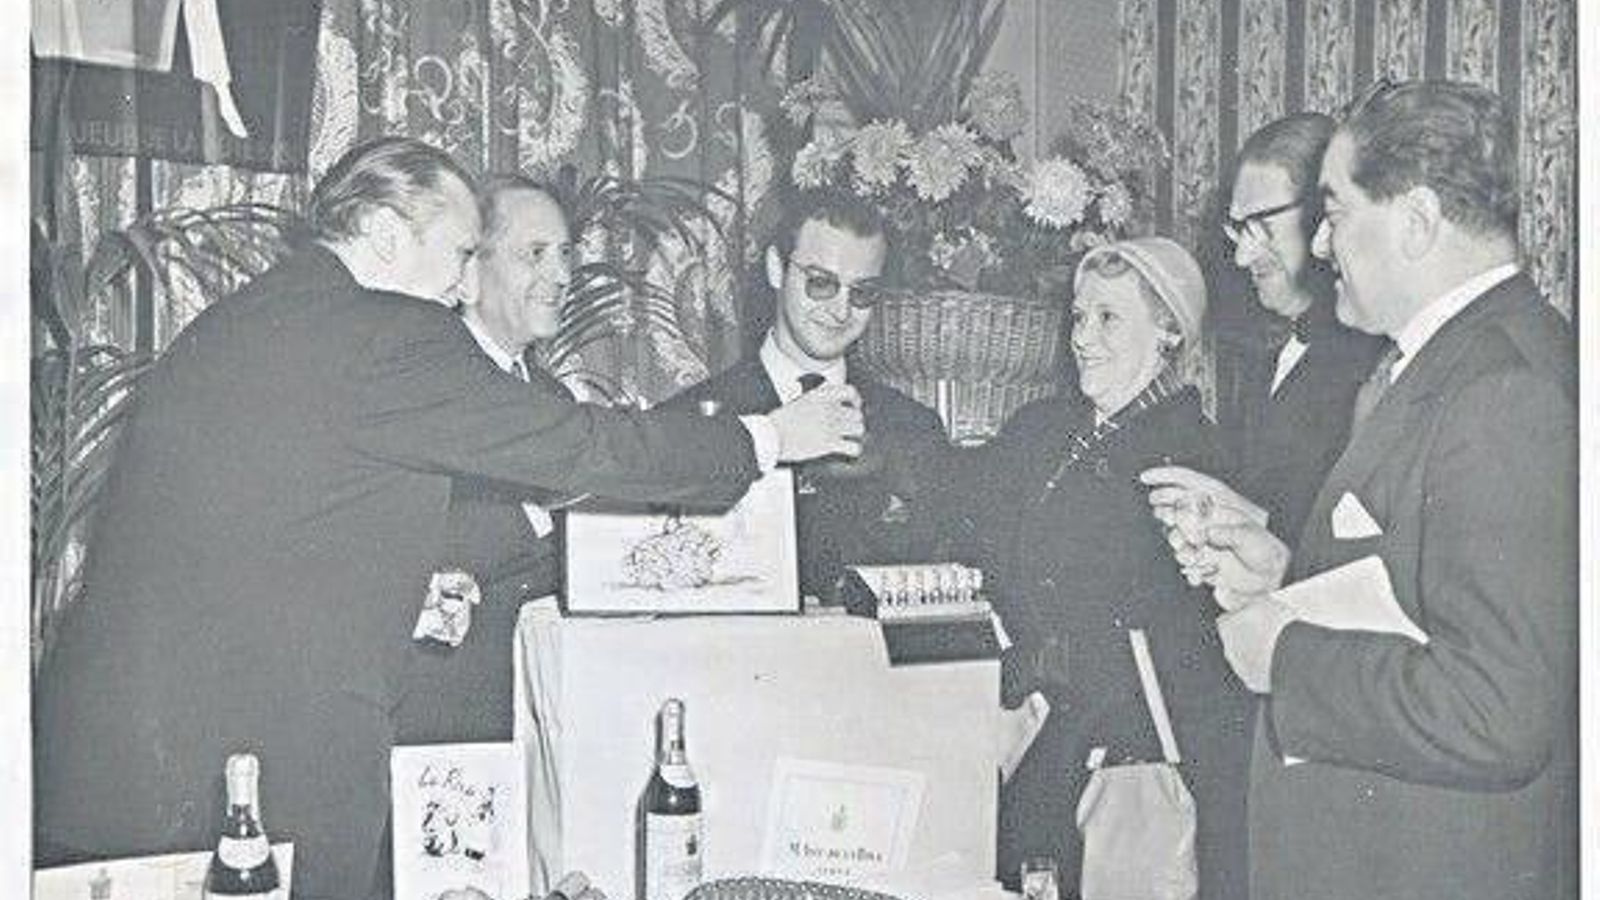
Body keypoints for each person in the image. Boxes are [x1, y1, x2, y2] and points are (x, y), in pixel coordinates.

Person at [33, 137, 866, 900]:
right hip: (234, 781)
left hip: (125, 769)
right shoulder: (388, 332)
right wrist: (765, 437)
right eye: (464, 253)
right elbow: (580, 447)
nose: (465, 284)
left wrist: (400, 586)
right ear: (390, 233)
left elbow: (265, 524)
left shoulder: (253, 319)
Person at [1143, 80, 1577, 900]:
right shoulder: (1456, 361)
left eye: (1336, 213)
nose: (1319, 247)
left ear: (1414, 222)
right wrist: (1283, 576)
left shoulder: (1504, 391)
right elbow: (1426, 597)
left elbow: (1500, 708)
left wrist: (1285, 656)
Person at [954, 237, 1250, 899]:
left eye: (1109, 318)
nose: (1084, 337)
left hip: (1124, 757)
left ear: (1169, 330)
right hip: (1035, 734)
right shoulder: (1041, 430)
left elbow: (1190, 648)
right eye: (1079, 317)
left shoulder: (1195, 459)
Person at [659, 188, 949, 599]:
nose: (841, 311)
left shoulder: (915, 430)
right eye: (821, 283)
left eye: (862, 293)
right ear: (777, 269)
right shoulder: (686, 422)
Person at [396, 176, 578, 746]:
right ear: (470, 273)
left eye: (566, 255)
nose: (563, 276)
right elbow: (407, 543)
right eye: (536, 255)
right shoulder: (421, 385)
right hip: (438, 708)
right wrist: (540, 511)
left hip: (533, 707)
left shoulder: (555, 400)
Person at [1216, 112, 1385, 541]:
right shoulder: (1259, 357)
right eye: (1239, 230)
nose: (1241, 257)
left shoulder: (1378, 364)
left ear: (1322, 217)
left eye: (1263, 226)